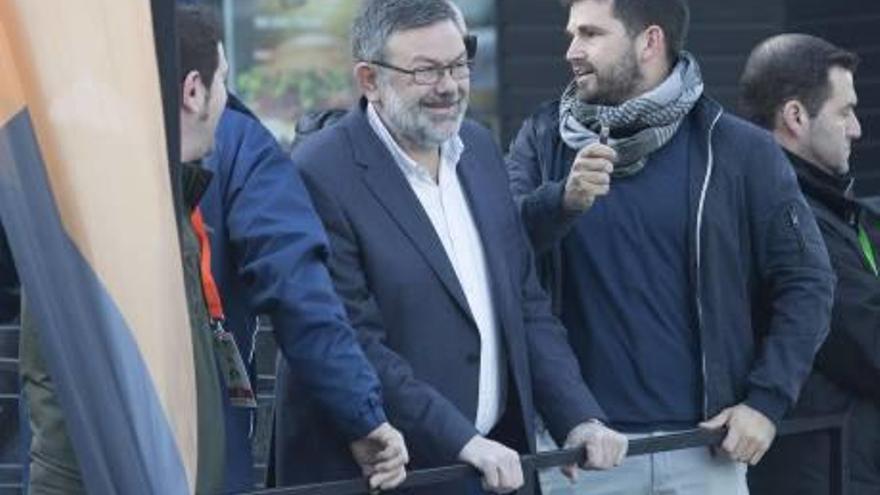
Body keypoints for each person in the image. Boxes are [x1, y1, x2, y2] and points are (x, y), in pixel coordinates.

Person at [21, 5, 408, 494]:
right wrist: (362, 416)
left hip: (71, 469)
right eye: (224, 79)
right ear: (192, 89)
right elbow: (299, 294)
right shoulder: (240, 147)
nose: (226, 97)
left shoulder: (50, 151)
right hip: (192, 462)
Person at [284, 0, 629, 493]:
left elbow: (524, 305)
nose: (449, 85)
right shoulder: (320, 172)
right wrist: (462, 440)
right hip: (392, 475)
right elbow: (354, 340)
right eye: (424, 71)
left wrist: (578, 416)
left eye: (458, 64)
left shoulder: (480, 149)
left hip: (497, 465)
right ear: (368, 80)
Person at [505, 0, 836, 493]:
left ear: (650, 41)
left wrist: (765, 404)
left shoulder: (737, 148)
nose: (572, 50)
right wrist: (562, 202)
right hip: (584, 453)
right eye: (572, 34)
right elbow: (502, 258)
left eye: (592, 34)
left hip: (704, 452)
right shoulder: (542, 138)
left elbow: (808, 282)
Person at [739, 33, 880, 495]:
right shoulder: (790, 218)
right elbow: (867, 347)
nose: (856, 128)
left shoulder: (831, 209)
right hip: (824, 474)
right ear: (796, 116)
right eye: (844, 112)